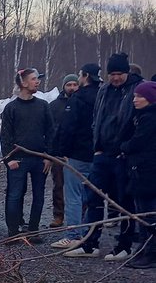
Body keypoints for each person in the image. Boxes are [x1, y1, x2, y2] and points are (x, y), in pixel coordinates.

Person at [65, 52, 141, 260]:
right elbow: (96, 118)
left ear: (126, 72)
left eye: (119, 73)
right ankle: (91, 243)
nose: (115, 78)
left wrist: (126, 149)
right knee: (93, 196)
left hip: (123, 157)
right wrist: (97, 145)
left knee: (124, 201)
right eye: (112, 74)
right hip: (101, 154)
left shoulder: (136, 89)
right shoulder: (104, 90)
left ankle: (124, 245)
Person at [0, 67, 54, 243]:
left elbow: (50, 132)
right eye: (33, 79)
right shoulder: (11, 108)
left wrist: (48, 156)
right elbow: (5, 136)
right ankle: (13, 232)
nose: (37, 81)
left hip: (39, 159)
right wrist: (9, 159)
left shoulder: (43, 106)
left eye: (37, 79)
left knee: (39, 195)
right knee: (15, 195)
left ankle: (33, 231)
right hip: (18, 160)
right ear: (23, 83)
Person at [50, 63, 101, 249]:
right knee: (92, 196)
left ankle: (73, 235)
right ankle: (91, 235)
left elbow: (68, 127)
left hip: (78, 153)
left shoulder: (78, 98)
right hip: (98, 153)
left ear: (85, 76)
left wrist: (60, 150)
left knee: (73, 195)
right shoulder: (103, 95)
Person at [122, 81, 156, 269]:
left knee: (148, 214)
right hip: (140, 171)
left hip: (148, 173)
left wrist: (124, 147)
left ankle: (151, 252)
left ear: (149, 99)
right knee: (141, 212)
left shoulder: (150, 119)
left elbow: (137, 143)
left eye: (139, 96)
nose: (134, 100)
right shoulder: (141, 116)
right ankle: (143, 249)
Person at [47, 74, 79, 228]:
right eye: (69, 85)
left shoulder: (82, 103)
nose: (72, 88)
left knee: (79, 186)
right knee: (58, 185)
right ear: (64, 86)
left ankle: (81, 216)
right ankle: (58, 215)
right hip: (58, 153)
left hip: (77, 153)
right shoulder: (54, 106)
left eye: (74, 84)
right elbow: (50, 129)